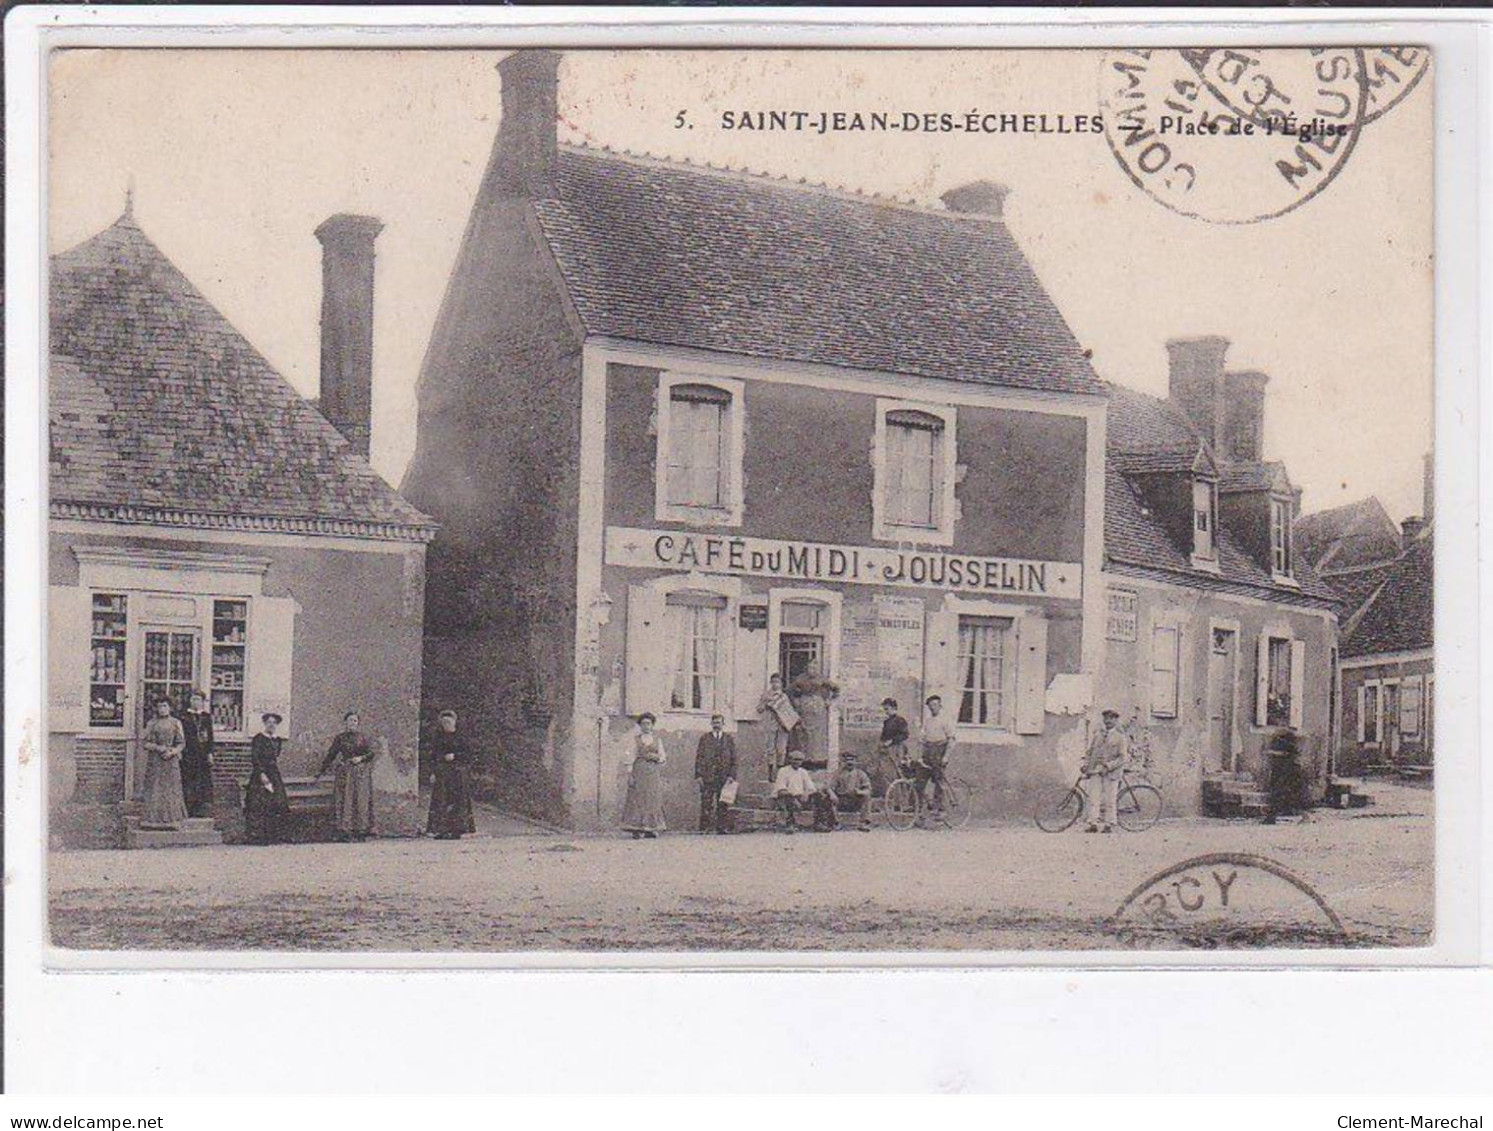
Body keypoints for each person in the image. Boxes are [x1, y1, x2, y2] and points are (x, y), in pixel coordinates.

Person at [318, 710, 379, 840]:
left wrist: (360, 758)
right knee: (346, 800)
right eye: (350, 720)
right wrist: (320, 771)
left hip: (360, 774)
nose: (353, 723)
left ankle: (361, 830)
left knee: (360, 800)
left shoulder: (362, 737)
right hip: (345, 774)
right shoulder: (340, 738)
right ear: (345, 722)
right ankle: (346, 831)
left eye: (355, 721)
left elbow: (371, 754)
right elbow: (331, 755)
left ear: (358, 723)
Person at [427, 708, 476, 840]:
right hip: (442, 773)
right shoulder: (438, 738)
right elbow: (433, 755)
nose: (446, 726)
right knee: (441, 801)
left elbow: (469, 755)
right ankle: (441, 829)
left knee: (457, 801)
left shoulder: (461, 737)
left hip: (457, 773)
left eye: (449, 723)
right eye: (444, 724)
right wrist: (433, 772)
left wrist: (455, 756)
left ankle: (456, 830)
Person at [140, 697, 188, 830]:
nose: (162, 709)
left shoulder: (175, 723)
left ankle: (172, 821)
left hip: (170, 760)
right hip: (156, 760)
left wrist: (173, 752)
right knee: (155, 787)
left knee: (171, 788)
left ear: (170, 708)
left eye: (165, 706)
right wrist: (158, 748)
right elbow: (144, 742)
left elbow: (181, 743)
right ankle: (153, 821)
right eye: (160, 706)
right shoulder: (151, 723)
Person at [243, 711, 290, 845]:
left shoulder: (277, 740)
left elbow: (276, 756)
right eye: (269, 722)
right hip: (261, 774)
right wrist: (261, 774)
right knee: (259, 804)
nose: (272, 725)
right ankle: (258, 837)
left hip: (274, 774)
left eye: (274, 723)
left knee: (277, 803)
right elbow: (255, 757)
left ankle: (273, 836)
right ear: (264, 724)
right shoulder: (259, 738)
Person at [1082, 708, 1129, 833]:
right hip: (1096, 770)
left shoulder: (1120, 738)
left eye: (1111, 718)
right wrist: (1086, 765)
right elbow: (1090, 752)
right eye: (1106, 718)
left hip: (1111, 772)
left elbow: (1123, 757)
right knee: (1094, 798)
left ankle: (1109, 824)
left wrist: (1108, 766)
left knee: (1110, 799)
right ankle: (1093, 823)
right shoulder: (1097, 735)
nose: (1108, 721)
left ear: (1116, 720)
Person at [621, 712, 667, 839]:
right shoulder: (635, 740)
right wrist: (630, 774)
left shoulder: (657, 739)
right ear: (640, 725)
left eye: (648, 723)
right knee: (637, 798)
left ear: (652, 725)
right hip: (639, 770)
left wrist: (657, 757)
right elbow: (630, 757)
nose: (646, 726)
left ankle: (650, 829)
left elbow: (663, 757)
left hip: (652, 772)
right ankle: (636, 828)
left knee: (652, 798)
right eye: (643, 724)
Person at [693, 713, 737, 835]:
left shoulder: (729, 739)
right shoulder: (705, 738)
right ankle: (704, 828)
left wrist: (732, 776)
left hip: (724, 776)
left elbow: (734, 758)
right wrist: (698, 775)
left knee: (723, 802)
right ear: (711, 724)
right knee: (706, 802)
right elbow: (699, 757)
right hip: (708, 775)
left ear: (723, 724)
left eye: (719, 722)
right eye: (715, 722)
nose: (717, 725)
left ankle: (721, 827)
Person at [810, 749, 874, 832]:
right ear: (844, 761)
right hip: (842, 800)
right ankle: (836, 823)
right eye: (847, 760)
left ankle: (863, 823)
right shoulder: (838, 773)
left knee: (867, 797)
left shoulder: (861, 774)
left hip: (855, 800)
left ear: (856, 762)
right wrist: (832, 794)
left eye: (852, 760)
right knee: (829, 798)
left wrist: (860, 792)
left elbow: (868, 789)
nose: (849, 762)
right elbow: (829, 786)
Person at [755, 673, 800, 783]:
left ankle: (779, 773)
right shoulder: (766, 695)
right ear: (770, 683)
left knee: (781, 750)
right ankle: (771, 773)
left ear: (781, 684)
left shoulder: (784, 696)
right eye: (773, 682)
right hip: (770, 724)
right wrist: (766, 704)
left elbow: (788, 711)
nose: (775, 684)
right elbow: (759, 709)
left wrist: (791, 721)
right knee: (770, 749)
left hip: (782, 725)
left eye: (778, 682)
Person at [919, 694, 957, 817]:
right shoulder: (928, 721)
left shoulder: (945, 720)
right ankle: (922, 809)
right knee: (920, 779)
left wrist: (946, 756)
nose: (932, 708)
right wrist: (922, 754)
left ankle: (941, 810)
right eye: (930, 706)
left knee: (938, 781)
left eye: (935, 705)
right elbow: (924, 740)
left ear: (940, 705)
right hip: (929, 751)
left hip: (940, 750)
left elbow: (951, 739)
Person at [180, 691, 215, 819]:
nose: (196, 702)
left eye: (198, 699)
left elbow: (210, 736)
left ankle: (200, 809)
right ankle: (187, 808)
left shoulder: (206, 717)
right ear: (190, 701)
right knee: (188, 780)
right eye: (193, 699)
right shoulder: (183, 717)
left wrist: (210, 753)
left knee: (202, 782)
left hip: (202, 754)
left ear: (202, 702)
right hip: (188, 754)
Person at [771, 750, 817, 834]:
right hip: (785, 797)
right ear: (790, 760)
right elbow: (781, 789)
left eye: (800, 760)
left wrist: (806, 794)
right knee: (788, 798)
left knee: (820, 795)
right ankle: (790, 824)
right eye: (795, 759)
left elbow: (811, 788)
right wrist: (793, 798)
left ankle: (820, 823)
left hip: (800, 797)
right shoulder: (783, 771)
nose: (797, 762)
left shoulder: (803, 772)